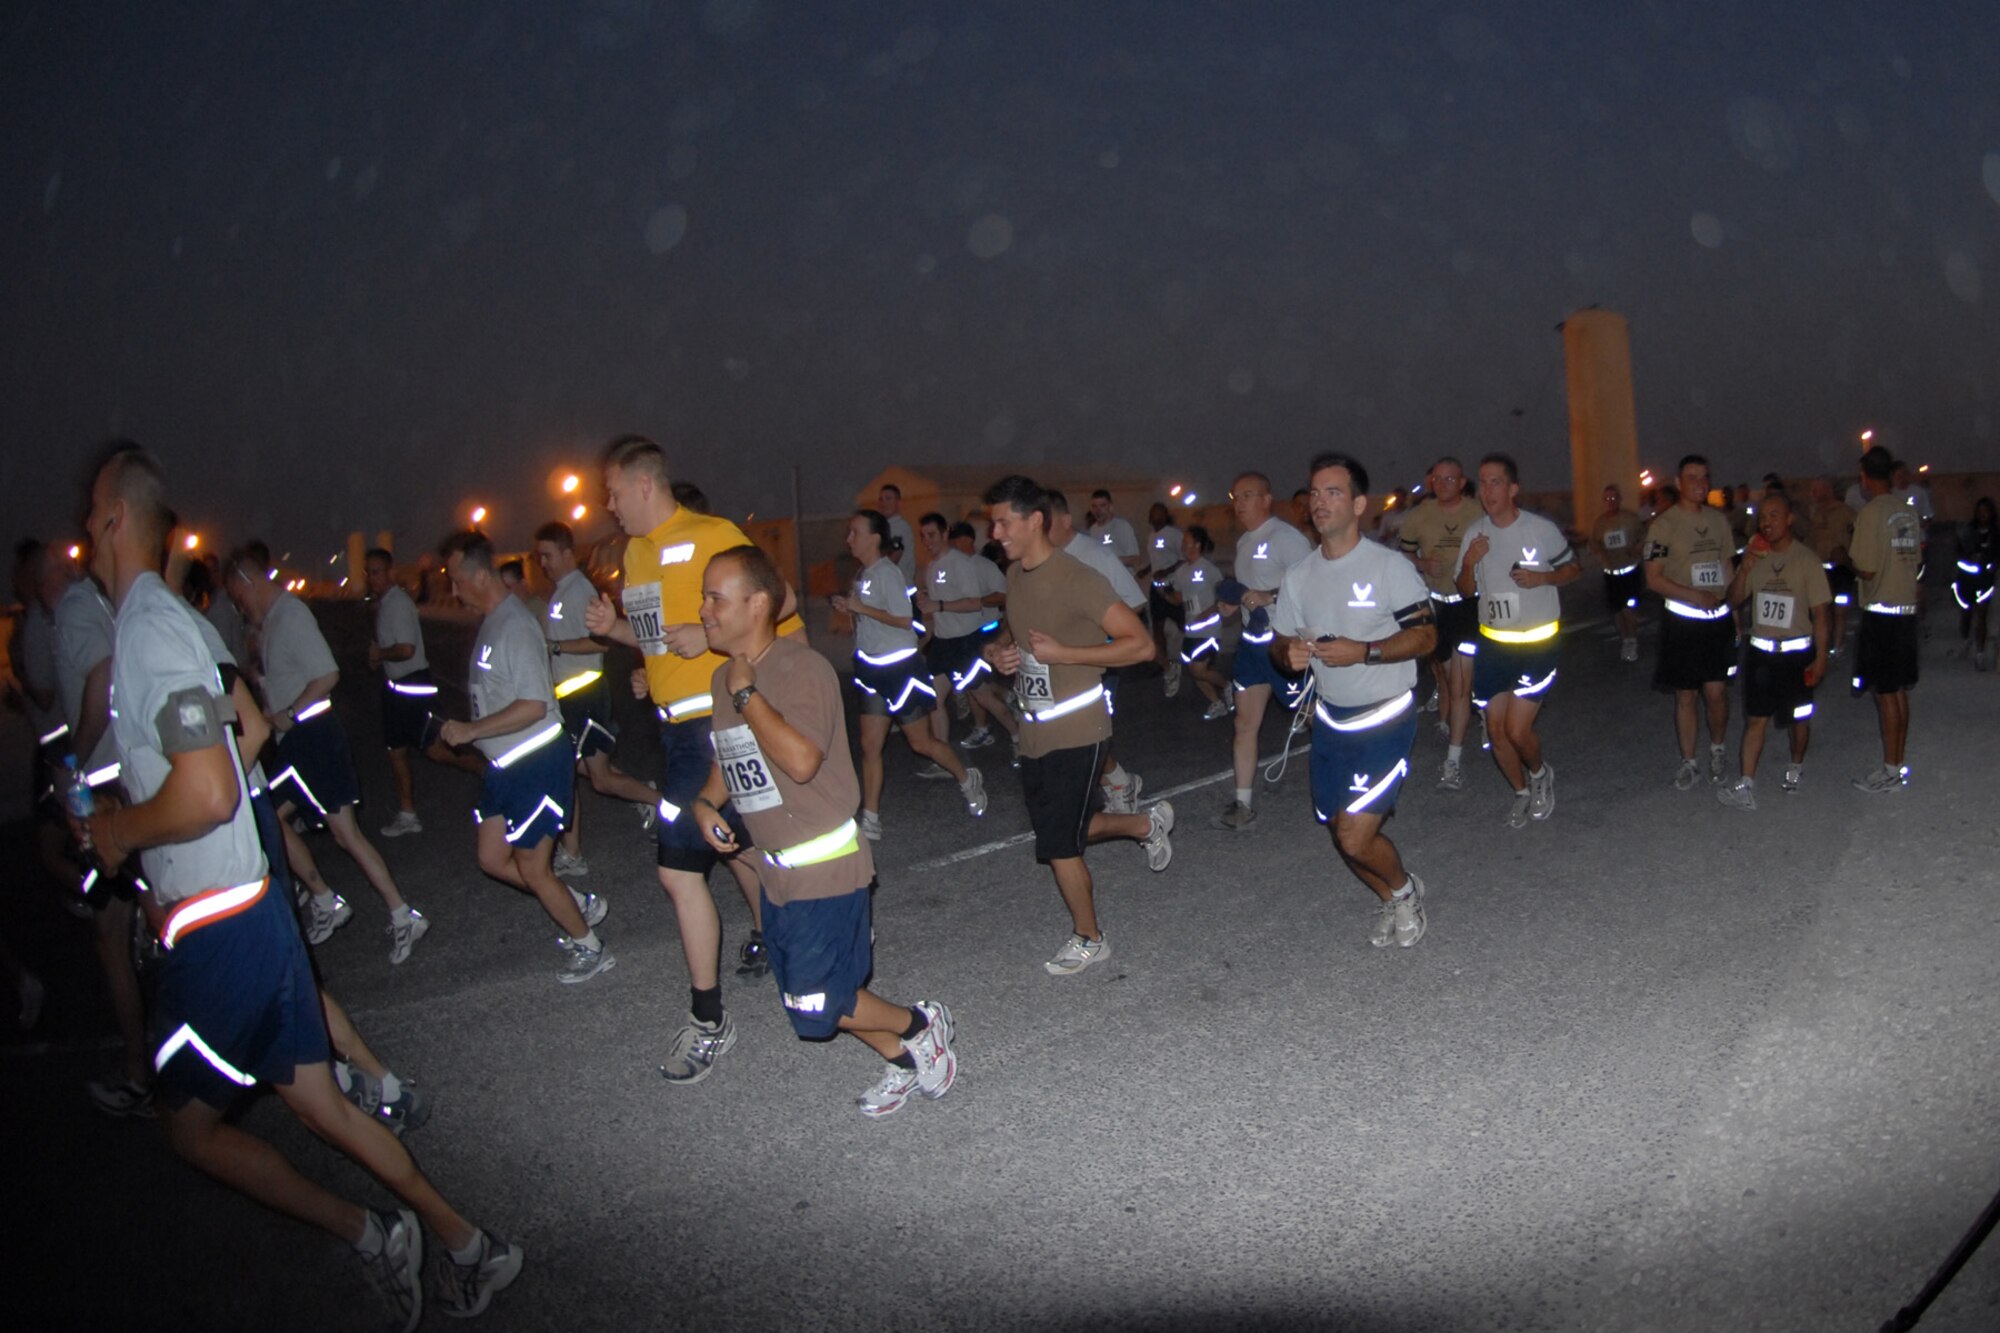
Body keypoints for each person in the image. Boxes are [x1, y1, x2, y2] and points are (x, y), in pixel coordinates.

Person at [79, 444, 521, 1326]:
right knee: (322, 1109)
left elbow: (206, 788)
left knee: (190, 1128)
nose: (83, 536)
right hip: (246, 911)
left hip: (223, 928)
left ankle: (368, 1231)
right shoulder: (167, 626)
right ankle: (469, 1243)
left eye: (89, 517)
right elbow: (229, 740)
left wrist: (121, 831)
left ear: (113, 519)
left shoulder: (151, 629)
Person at [695, 544, 959, 1117]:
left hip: (825, 863)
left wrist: (748, 694)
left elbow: (802, 760)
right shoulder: (723, 677)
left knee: (816, 1003)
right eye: (704, 598)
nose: (705, 610)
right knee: (815, 1000)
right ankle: (904, 1059)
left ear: (758, 603)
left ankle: (921, 1023)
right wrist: (705, 802)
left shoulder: (798, 669)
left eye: (716, 597)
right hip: (775, 869)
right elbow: (729, 756)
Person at [583, 435, 801, 1084]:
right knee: (737, 847)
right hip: (675, 731)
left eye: (613, 491)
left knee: (679, 870)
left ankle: (710, 1020)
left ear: (644, 485)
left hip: (721, 723)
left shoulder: (712, 534)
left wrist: (706, 636)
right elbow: (654, 640)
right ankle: (798, 941)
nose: (608, 503)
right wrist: (614, 628)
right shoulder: (636, 554)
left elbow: (779, 602)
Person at [981, 475, 1174, 975]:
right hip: (1034, 728)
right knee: (1066, 825)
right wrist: (998, 652)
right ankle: (1144, 824)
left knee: (1058, 843)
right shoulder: (1016, 575)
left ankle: (1090, 937)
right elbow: (1014, 634)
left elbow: (1141, 644)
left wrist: (1067, 653)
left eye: (1004, 521)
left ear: (1035, 520)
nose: (995, 531)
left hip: (1080, 728)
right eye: (993, 522)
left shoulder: (1078, 578)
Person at [224, 545, 429, 964]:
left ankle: (325, 898)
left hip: (312, 738)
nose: (237, 605)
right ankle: (394, 911)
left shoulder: (291, 615)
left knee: (266, 816)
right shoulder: (272, 622)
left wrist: (288, 713)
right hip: (303, 740)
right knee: (341, 833)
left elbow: (328, 674)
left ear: (248, 582)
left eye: (236, 595)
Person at [1272, 454, 1437, 949]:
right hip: (1329, 721)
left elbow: (1428, 636)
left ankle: (1406, 892)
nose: (1319, 503)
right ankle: (1388, 897)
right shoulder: (1299, 575)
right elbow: (1277, 645)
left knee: (1354, 836)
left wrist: (1366, 651)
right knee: (1337, 828)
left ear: (1359, 504)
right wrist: (1290, 654)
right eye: (1314, 493)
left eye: (1333, 492)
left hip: (1385, 717)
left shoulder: (1388, 567)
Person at [437, 531, 613, 982]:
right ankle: (577, 903)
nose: (453, 591)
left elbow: (534, 705)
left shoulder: (514, 625)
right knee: (492, 859)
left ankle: (590, 947)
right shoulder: (493, 621)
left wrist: (472, 729)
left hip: (536, 760)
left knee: (535, 869)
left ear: (479, 576)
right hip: (505, 767)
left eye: (457, 580)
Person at [51, 539, 154, 1114]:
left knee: (110, 936)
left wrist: (72, 758)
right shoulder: (117, 606)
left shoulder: (77, 607)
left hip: (106, 787)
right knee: (142, 909)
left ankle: (139, 1076)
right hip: (130, 778)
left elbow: (101, 678)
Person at [832, 510, 987, 840]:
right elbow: (870, 617)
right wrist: (850, 608)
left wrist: (860, 608)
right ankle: (870, 818)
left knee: (922, 743)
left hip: (900, 669)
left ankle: (966, 777)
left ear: (875, 537)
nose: (849, 539)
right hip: (870, 669)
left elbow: (905, 620)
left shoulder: (888, 573)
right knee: (870, 745)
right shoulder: (863, 573)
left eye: (854, 532)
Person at [533, 521, 661, 879]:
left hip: (586, 694)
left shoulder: (579, 591)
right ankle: (573, 853)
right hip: (568, 698)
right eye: (539, 556)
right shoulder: (560, 592)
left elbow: (601, 641)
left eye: (548, 555)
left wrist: (555, 647)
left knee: (600, 779)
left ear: (567, 554)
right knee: (573, 772)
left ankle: (662, 804)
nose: (543, 563)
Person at [1456, 454, 1579, 828]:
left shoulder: (1540, 529)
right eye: (1483, 482)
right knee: (1495, 730)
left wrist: (1542, 579)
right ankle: (1521, 791)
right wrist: (1468, 564)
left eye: (1496, 482)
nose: (1488, 490)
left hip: (1537, 644)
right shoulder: (1474, 535)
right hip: (1494, 645)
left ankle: (1541, 774)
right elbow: (1463, 591)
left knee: (1517, 730)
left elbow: (1573, 569)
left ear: (1512, 489)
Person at [1716, 492, 1831, 808]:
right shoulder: (1757, 556)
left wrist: (1821, 656)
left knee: (1798, 719)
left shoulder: (1806, 560)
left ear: (1789, 518)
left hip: (1796, 655)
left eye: (1774, 515)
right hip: (1761, 654)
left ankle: (1796, 766)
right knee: (1756, 719)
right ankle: (1746, 784)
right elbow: (1734, 600)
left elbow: (1821, 612)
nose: (1766, 523)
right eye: (1762, 517)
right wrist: (1745, 568)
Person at [1214, 471, 1314, 831]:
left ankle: (1351, 779)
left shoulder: (1285, 538)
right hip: (1252, 645)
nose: (1239, 503)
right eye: (1235, 496)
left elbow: (1312, 582)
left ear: (1267, 499)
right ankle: (1243, 803)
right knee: (1244, 723)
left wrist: (1270, 595)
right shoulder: (1244, 542)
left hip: (1283, 642)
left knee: (1314, 716)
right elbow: (1248, 591)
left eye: (1247, 495)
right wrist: (1234, 608)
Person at [1050, 490, 1150, 814]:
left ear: (1061, 520)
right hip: (1062, 658)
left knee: (1092, 726)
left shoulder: (1095, 555)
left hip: (1099, 659)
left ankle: (1119, 782)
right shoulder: (1043, 560)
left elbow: (1135, 601)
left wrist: (1105, 639)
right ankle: (1108, 781)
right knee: (1070, 727)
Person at [1644, 455, 1737, 790]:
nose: (1699, 482)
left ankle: (1717, 747)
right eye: (1692, 476)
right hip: (1682, 621)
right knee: (1685, 695)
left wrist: (1733, 609)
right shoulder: (1663, 525)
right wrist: (1694, 595)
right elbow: (1653, 578)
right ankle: (1689, 761)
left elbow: (1727, 569)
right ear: (1679, 482)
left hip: (1717, 621)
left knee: (1715, 692)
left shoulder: (1719, 521)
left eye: (1704, 476)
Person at [1396, 457, 1478, 788]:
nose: (1443, 483)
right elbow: (1402, 553)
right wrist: (1421, 563)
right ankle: (1462, 712)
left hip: (1469, 605)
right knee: (1444, 677)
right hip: (1436, 607)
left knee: (1459, 684)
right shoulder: (1418, 516)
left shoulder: (1478, 512)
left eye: (1450, 479)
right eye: (1437, 479)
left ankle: (1452, 762)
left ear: (1462, 482)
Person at [1848, 445, 1924, 791]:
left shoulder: (1872, 512)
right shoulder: (1906, 511)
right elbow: (1917, 560)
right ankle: (1898, 763)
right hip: (1906, 611)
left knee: (1885, 693)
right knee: (1898, 693)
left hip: (1882, 614)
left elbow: (1866, 567)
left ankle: (1891, 770)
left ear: (1865, 477)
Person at [914, 515, 1018, 757]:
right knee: (934, 698)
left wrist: (938, 605)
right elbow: (940, 602)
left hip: (966, 641)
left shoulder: (961, 563)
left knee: (982, 696)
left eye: (931, 535)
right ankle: (942, 755)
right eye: (923, 536)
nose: (927, 541)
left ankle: (1017, 735)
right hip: (943, 642)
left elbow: (974, 603)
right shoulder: (932, 566)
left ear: (944, 533)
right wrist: (928, 602)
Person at [363, 549, 435, 839]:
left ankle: (484, 771)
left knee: (436, 749)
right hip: (396, 688)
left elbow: (406, 649)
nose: (372, 578)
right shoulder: (385, 604)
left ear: (390, 571)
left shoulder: (398, 603)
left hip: (412, 686)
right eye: (368, 572)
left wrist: (380, 653)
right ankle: (408, 813)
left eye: (377, 571)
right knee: (397, 752)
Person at [1166, 526, 1232, 718]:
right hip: (1191, 629)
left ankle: (1227, 686)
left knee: (1198, 669)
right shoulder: (1182, 571)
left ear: (1197, 544)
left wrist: (1207, 613)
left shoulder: (1209, 569)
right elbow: (1178, 598)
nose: (1183, 546)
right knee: (1195, 672)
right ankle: (1217, 703)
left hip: (1209, 629)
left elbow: (1222, 597)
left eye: (1186, 542)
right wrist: (1163, 591)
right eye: (1183, 543)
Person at [1589, 484, 1646, 663]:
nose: (1610, 502)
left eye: (1613, 498)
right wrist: (1600, 555)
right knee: (1617, 610)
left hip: (1630, 571)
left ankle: (1633, 639)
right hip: (1611, 573)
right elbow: (1595, 544)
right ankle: (1626, 640)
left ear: (1619, 500)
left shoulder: (1630, 518)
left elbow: (1645, 537)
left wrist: (1638, 549)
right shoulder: (1600, 523)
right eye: (1607, 499)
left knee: (1629, 609)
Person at [1806, 475, 1858, 655]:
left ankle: (1838, 646)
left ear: (1828, 490)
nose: (1813, 493)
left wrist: (1848, 554)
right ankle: (1824, 647)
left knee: (1840, 609)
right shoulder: (1816, 513)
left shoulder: (1845, 511)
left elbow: (1859, 533)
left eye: (1816, 489)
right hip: (1821, 570)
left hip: (1841, 570)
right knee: (1823, 610)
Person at [1951, 497, 1996, 671]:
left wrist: (1987, 561)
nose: (1983, 514)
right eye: (1980, 511)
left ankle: (1980, 654)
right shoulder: (1967, 530)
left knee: (1982, 616)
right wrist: (1969, 556)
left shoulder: (1995, 533)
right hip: (1966, 578)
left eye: (1986, 511)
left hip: (1985, 578)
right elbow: (1958, 550)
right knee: (1966, 614)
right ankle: (1966, 640)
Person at [1144, 503, 1185, 687]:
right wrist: (1147, 570)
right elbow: (1155, 560)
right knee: (1158, 626)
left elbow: (1184, 558)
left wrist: (1166, 571)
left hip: (1172, 585)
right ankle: (1164, 663)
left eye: (1160, 514)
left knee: (1182, 623)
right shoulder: (1151, 536)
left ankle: (1195, 655)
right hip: (1156, 587)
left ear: (1166, 516)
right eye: (1153, 514)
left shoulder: (1174, 534)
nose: (1156, 517)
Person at [1085, 488, 1147, 580]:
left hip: (1123, 582)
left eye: (1102, 506)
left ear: (1110, 507)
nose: (1098, 511)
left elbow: (1135, 559)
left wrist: (1108, 560)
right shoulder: (1092, 530)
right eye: (1094, 506)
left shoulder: (1122, 527)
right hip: (1104, 583)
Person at [876, 482, 918, 586]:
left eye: (888, 498)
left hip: (900, 586)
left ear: (898, 502)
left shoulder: (900, 528)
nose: (884, 503)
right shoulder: (883, 527)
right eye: (881, 499)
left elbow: (892, 558)